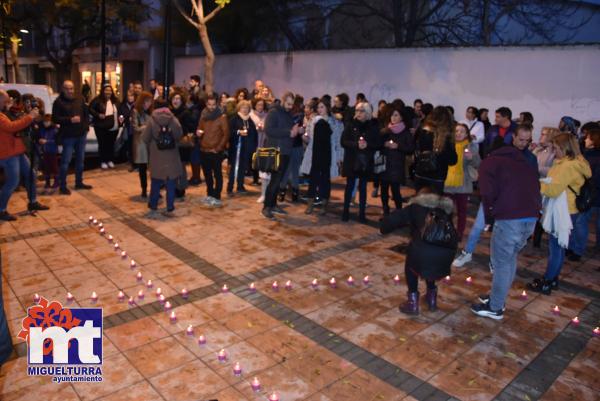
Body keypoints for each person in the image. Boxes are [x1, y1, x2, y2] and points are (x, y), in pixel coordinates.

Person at [471, 125, 541, 320]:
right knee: (509, 260)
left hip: (511, 219)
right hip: (531, 219)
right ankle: (497, 298)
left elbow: (487, 194)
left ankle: (495, 308)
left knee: (502, 263)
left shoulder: (490, 163)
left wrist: (490, 219)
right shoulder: (522, 162)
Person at [453, 124, 538, 267]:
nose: (524, 143)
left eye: (527, 140)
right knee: (478, 227)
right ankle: (467, 253)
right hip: (494, 197)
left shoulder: (530, 158)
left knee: (500, 234)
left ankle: (494, 261)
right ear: (513, 137)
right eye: (521, 140)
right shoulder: (501, 152)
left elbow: (532, 181)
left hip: (513, 204)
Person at [527, 133, 591, 294]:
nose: (554, 151)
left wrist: (536, 184)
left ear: (564, 148)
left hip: (563, 209)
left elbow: (554, 189)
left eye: (556, 148)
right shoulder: (576, 161)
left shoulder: (567, 165)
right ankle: (553, 278)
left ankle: (548, 281)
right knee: (560, 246)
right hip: (568, 208)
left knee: (556, 247)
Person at [380, 187, 456, 315]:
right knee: (429, 263)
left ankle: (412, 303)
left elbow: (393, 220)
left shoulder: (415, 207)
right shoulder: (445, 209)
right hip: (447, 253)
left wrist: (383, 227)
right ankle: (431, 298)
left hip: (423, 252)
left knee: (412, 265)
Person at [0, 90, 48, 221]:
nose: (8, 103)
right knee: (12, 182)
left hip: (16, 150)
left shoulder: (4, 113)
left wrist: (28, 116)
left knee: (31, 175)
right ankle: (1, 209)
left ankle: (32, 201)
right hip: (8, 153)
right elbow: (11, 127)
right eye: (5, 101)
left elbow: (16, 124)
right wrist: (30, 117)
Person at [142, 99, 182, 217]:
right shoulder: (173, 120)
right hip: (171, 155)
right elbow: (179, 134)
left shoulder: (151, 120)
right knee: (170, 182)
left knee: (156, 181)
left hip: (156, 155)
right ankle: (170, 205)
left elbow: (145, 138)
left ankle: (153, 204)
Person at [340, 102, 379, 222]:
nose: (358, 113)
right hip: (352, 160)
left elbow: (377, 143)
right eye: (357, 110)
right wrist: (355, 144)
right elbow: (343, 141)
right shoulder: (350, 125)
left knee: (363, 187)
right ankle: (345, 211)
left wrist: (368, 145)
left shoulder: (372, 126)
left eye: (361, 111)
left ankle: (362, 214)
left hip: (365, 161)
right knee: (350, 186)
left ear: (367, 113)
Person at [52, 80, 92, 195]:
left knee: (80, 161)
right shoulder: (58, 102)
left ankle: (79, 182)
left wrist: (86, 127)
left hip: (81, 135)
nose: (70, 91)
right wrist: (70, 120)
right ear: (63, 89)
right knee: (65, 162)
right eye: (67, 88)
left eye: (72, 88)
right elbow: (55, 118)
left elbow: (86, 114)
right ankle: (62, 186)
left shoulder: (79, 99)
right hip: (68, 136)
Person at [262, 91, 298, 219]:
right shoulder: (274, 112)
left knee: (279, 180)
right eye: (288, 104)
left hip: (286, 150)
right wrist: (289, 132)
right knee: (275, 180)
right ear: (283, 100)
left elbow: (289, 131)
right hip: (277, 151)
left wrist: (297, 131)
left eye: (292, 104)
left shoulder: (288, 114)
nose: (290, 106)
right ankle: (266, 207)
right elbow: (269, 130)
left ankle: (273, 204)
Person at [444, 123, 481, 240]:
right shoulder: (448, 145)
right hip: (447, 182)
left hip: (463, 183)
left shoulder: (471, 147)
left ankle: (459, 233)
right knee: (446, 209)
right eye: (456, 131)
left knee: (462, 210)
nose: (458, 133)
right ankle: (446, 230)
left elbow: (478, 164)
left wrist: (472, 158)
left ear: (466, 134)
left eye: (461, 131)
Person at [413, 106, 458, 194]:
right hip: (437, 177)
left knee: (419, 202)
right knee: (434, 205)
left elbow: (415, 147)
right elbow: (452, 160)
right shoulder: (447, 138)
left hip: (421, 172)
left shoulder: (423, 131)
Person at [379, 106, 414, 215]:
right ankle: (385, 210)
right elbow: (376, 143)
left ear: (401, 117)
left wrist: (398, 146)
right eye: (392, 115)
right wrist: (383, 144)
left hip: (397, 165)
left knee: (395, 190)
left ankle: (399, 211)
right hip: (385, 164)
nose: (393, 118)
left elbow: (410, 149)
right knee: (383, 189)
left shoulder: (405, 132)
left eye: (396, 115)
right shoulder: (386, 130)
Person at [197, 93, 229, 207]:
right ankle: (210, 194)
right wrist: (199, 134)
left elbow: (226, 134)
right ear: (206, 104)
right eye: (209, 104)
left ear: (217, 104)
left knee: (217, 174)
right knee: (207, 174)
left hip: (215, 151)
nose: (211, 107)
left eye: (213, 105)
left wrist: (218, 148)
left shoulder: (221, 116)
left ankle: (217, 195)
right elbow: (200, 128)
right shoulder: (203, 115)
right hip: (204, 149)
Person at [302, 98, 333, 215]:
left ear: (327, 108)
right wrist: (305, 138)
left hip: (327, 153)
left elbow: (334, 140)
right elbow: (309, 137)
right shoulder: (314, 121)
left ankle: (324, 205)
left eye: (322, 107)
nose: (320, 110)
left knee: (325, 179)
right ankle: (310, 204)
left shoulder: (332, 121)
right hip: (315, 152)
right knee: (313, 179)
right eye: (318, 107)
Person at [532, 127, 559, 247]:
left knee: (541, 213)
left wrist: (537, 168)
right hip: (533, 184)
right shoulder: (538, 149)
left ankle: (536, 239)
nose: (540, 137)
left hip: (544, 187)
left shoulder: (555, 153)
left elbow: (554, 171)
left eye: (543, 134)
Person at [227, 100, 257, 195]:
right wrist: (238, 132)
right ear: (239, 108)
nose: (245, 110)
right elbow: (229, 132)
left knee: (243, 167)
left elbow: (254, 133)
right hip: (236, 147)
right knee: (234, 168)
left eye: (247, 108)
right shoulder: (234, 119)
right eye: (243, 108)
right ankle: (230, 187)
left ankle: (240, 185)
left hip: (246, 148)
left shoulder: (249, 120)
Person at [89, 84, 120, 169]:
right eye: (106, 90)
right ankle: (103, 161)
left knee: (110, 144)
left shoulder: (116, 100)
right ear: (103, 91)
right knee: (102, 144)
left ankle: (110, 160)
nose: (108, 92)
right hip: (100, 126)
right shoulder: (97, 100)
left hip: (113, 126)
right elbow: (90, 109)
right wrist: (98, 115)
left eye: (109, 90)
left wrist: (121, 119)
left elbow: (120, 112)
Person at [580, 128, 600, 251]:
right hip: (593, 193)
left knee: (581, 222)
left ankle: (577, 249)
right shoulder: (587, 154)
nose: (585, 139)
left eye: (587, 137)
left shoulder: (589, 156)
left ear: (594, 140)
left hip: (591, 195)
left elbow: (592, 177)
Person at [132, 91, 154, 198]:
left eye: (150, 101)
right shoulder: (136, 111)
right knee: (142, 168)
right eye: (146, 101)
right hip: (141, 142)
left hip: (151, 142)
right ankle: (144, 189)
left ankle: (155, 189)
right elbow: (135, 127)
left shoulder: (151, 111)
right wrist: (147, 126)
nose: (148, 104)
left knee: (153, 167)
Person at [38, 114, 60, 194]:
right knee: (46, 167)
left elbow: (57, 141)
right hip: (45, 151)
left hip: (53, 151)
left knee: (54, 166)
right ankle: (47, 182)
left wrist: (47, 141)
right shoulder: (42, 129)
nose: (46, 123)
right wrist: (40, 140)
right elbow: (39, 137)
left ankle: (56, 181)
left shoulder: (55, 129)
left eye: (47, 122)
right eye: (44, 122)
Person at [249, 97, 268, 189]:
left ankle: (262, 177)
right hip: (254, 139)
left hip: (264, 139)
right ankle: (255, 178)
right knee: (254, 158)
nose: (260, 107)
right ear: (255, 105)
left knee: (262, 158)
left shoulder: (266, 115)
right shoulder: (251, 115)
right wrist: (256, 128)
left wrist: (263, 127)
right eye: (258, 105)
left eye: (262, 105)